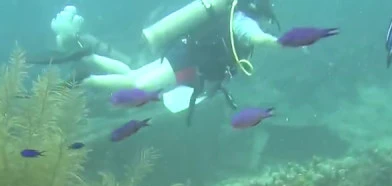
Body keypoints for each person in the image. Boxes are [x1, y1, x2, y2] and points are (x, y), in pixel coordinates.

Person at [46, 1, 281, 123]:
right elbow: (250, 33)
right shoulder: (245, 18)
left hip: (190, 60)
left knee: (133, 74)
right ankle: (84, 78)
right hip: (188, 59)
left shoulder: (239, 13)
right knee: (140, 87)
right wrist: (271, 40)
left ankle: (86, 57)